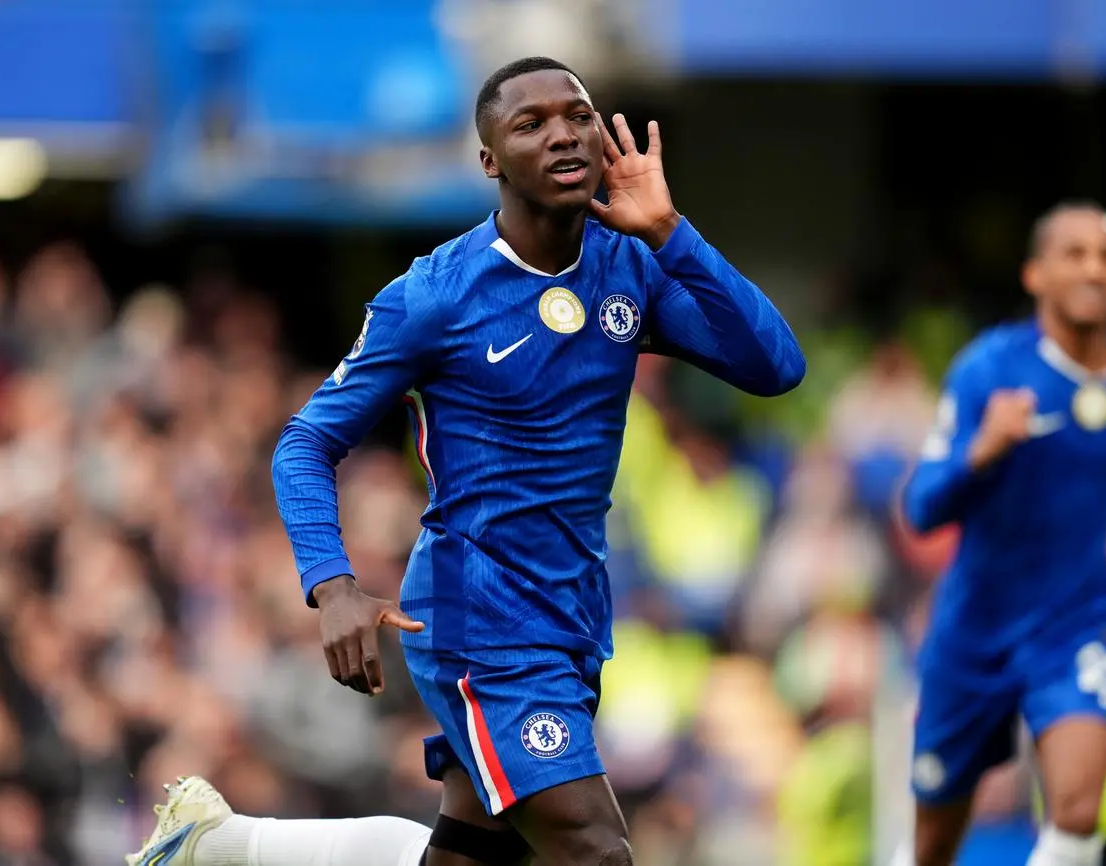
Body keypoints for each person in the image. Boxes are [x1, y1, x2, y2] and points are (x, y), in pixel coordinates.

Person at [126, 55, 805, 866]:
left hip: (572, 615)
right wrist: (332, 585)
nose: (563, 135)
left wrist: (669, 232)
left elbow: (775, 366)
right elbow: (306, 443)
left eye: (578, 116)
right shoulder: (437, 295)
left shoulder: (629, 265)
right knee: (595, 848)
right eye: (531, 124)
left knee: (472, 858)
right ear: (490, 160)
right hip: (480, 618)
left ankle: (225, 845)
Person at [892, 201, 1106, 866]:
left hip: (1076, 625)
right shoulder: (989, 371)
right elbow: (921, 507)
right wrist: (983, 450)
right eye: (1075, 255)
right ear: (1035, 275)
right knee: (934, 843)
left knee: (1078, 814)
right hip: (973, 634)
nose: (1094, 270)